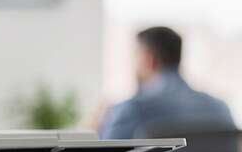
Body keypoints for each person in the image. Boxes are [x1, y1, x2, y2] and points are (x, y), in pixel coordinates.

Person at [99, 26, 234, 139]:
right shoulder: (221, 108)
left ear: (148, 59)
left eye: (136, 56)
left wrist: (100, 124)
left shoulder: (132, 110)